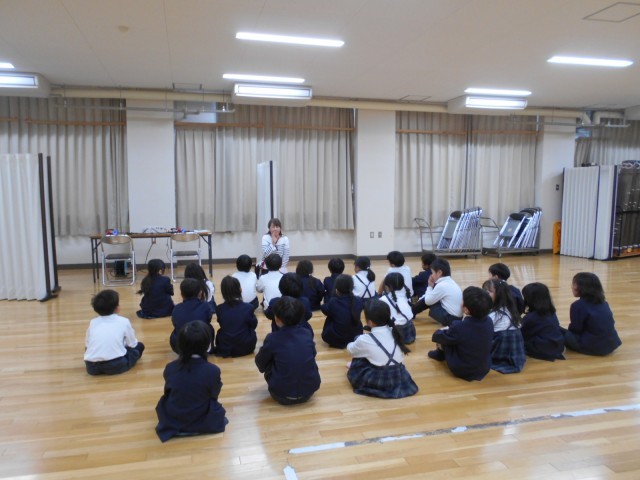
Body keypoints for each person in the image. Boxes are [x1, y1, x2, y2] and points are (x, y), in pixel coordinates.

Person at [155, 321, 227, 442]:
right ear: (208, 346)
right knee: (216, 408)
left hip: (175, 418)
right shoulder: (213, 370)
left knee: (165, 402)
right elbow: (214, 394)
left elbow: (168, 391)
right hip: (202, 417)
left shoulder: (170, 367)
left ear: (180, 345)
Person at [255, 296, 321, 405]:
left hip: (281, 395)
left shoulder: (272, 338)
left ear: (277, 319)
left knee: (269, 358)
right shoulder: (307, 334)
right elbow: (313, 354)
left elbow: (260, 363)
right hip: (309, 392)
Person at [346, 299, 418, 399]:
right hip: (399, 374)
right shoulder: (395, 331)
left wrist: (355, 341)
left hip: (379, 378)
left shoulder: (365, 340)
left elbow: (350, 350)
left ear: (370, 322)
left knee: (358, 346)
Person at [429, 286, 494, 381]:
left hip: (463, 370)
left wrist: (442, 330)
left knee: (444, 336)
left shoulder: (459, 326)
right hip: (484, 367)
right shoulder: (489, 321)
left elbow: (437, 336)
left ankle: (439, 354)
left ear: (466, 310)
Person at [84, 289, 145, 375]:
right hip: (116, 365)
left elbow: (87, 345)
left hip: (91, 367)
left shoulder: (93, 322)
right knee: (139, 346)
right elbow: (133, 344)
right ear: (116, 308)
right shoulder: (124, 321)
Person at [562, 272, 621, 356]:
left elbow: (575, 329)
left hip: (593, 347)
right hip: (611, 344)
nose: (572, 287)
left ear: (582, 288)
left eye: (574, 284)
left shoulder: (577, 305)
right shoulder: (604, 303)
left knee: (556, 330)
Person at [483, 279, 526, 374]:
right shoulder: (511, 310)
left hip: (500, 352)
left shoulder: (494, 315)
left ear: (499, 295)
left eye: (488, 292)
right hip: (516, 353)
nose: (485, 294)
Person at [213, 276, 258, 358]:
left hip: (225, 347)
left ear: (223, 293)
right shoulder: (248, 307)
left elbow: (222, 324)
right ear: (240, 290)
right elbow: (254, 325)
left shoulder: (219, 309)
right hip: (246, 346)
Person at [520, 282, 565, 361]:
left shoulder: (531, 317)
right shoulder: (551, 312)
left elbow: (522, 334)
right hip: (558, 345)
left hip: (543, 349)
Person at [412, 258, 462, 326]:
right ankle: (412, 311)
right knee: (431, 297)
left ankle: (410, 312)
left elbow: (427, 301)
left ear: (439, 273)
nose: (431, 275)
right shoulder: (450, 282)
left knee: (429, 299)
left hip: (450, 320)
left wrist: (430, 286)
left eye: (432, 273)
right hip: (457, 319)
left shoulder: (442, 285)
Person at [170, 278, 214, 354]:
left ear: (181, 294)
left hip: (181, 348)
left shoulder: (176, 308)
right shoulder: (205, 306)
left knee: (176, 331)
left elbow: (175, 323)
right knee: (209, 327)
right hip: (202, 346)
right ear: (200, 293)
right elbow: (208, 319)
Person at [320, 274, 364, 348]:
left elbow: (325, 310)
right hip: (355, 336)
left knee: (330, 316)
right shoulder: (358, 300)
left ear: (337, 288)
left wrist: (323, 305)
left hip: (336, 339)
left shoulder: (334, 301)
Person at [379, 272, 416, 344]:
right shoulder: (407, 295)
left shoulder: (383, 299)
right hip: (409, 333)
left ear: (387, 286)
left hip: (394, 333)